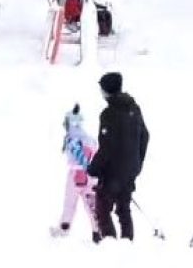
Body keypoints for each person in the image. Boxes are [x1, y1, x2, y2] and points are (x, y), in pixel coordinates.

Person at [87, 72, 150, 241]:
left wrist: (94, 168)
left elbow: (106, 147)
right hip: (129, 170)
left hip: (112, 173)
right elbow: (145, 136)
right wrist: (137, 162)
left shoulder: (108, 114)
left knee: (102, 209)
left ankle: (111, 247)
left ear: (106, 91)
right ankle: (126, 247)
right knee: (124, 210)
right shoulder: (134, 109)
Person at [51, 104, 101, 242]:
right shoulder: (88, 138)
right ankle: (97, 231)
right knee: (92, 204)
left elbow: (80, 156)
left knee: (69, 204)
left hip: (77, 174)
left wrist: (81, 171)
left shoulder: (72, 138)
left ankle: (64, 228)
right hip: (91, 175)